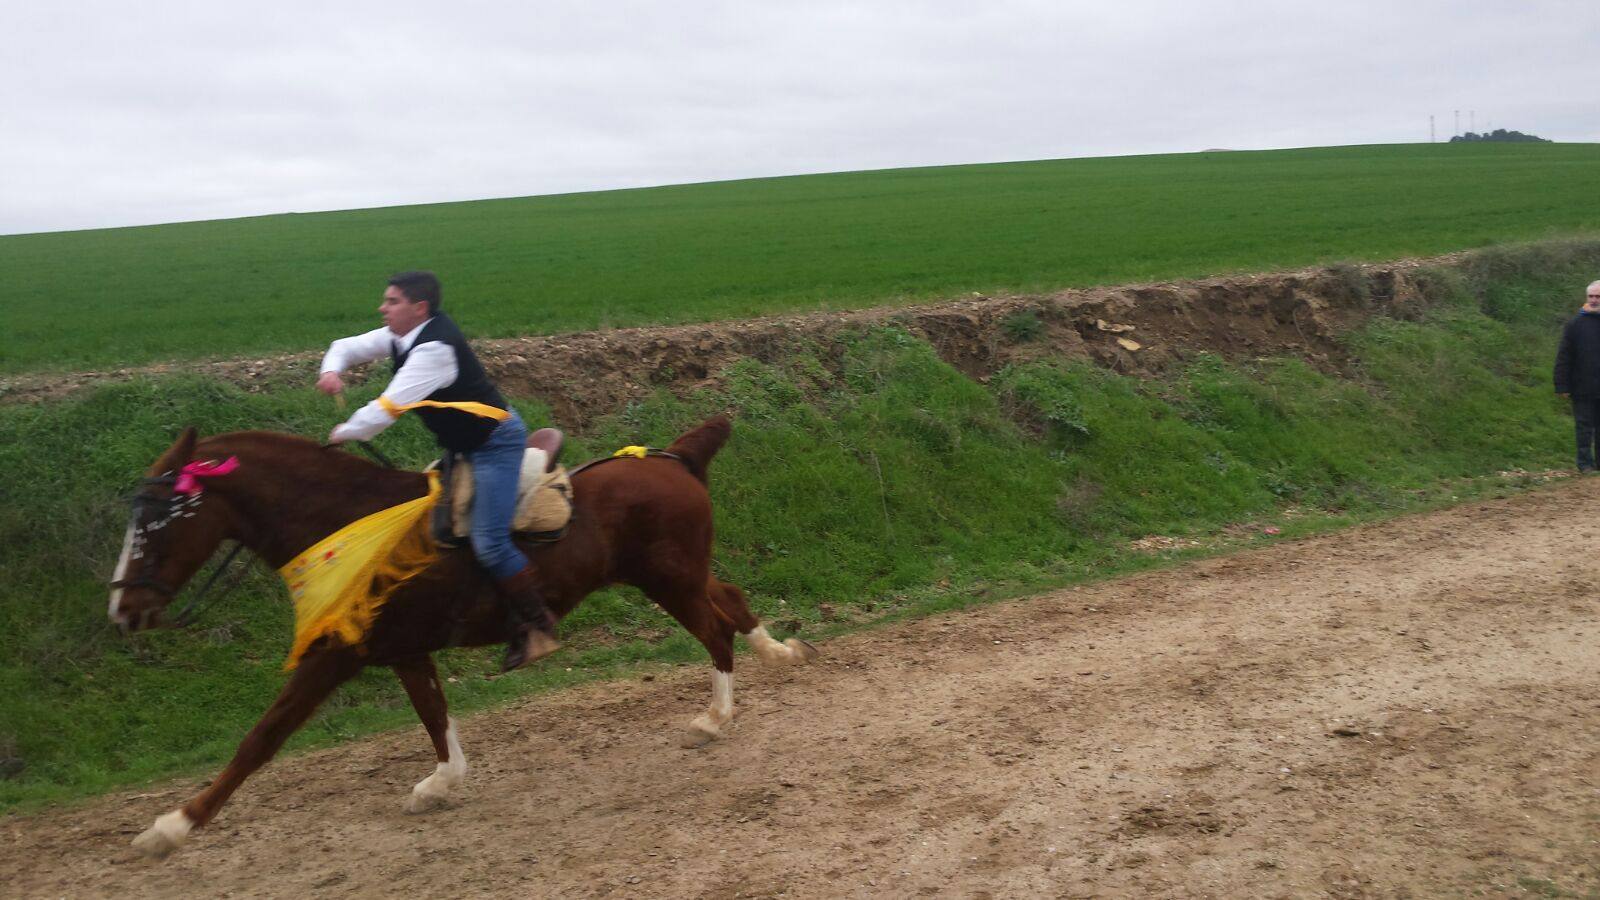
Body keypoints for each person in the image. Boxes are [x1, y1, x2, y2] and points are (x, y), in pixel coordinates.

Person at [318, 270, 560, 669]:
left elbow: (387, 409)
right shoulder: (402, 335)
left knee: (489, 542)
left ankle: (538, 623)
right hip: (462, 444)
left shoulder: (434, 350)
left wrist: (345, 431)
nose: (383, 308)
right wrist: (331, 370)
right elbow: (345, 346)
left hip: (493, 444)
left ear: (419, 308)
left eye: (392, 301)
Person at [1554, 280, 1600, 473]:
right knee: (1583, 427)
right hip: (1582, 387)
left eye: (1598, 297)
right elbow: (1564, 355)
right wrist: (1562, 385)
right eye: (1591, 296)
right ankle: (1585, 464)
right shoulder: (1575, 324)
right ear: (1586, 297)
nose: (1594, 300)